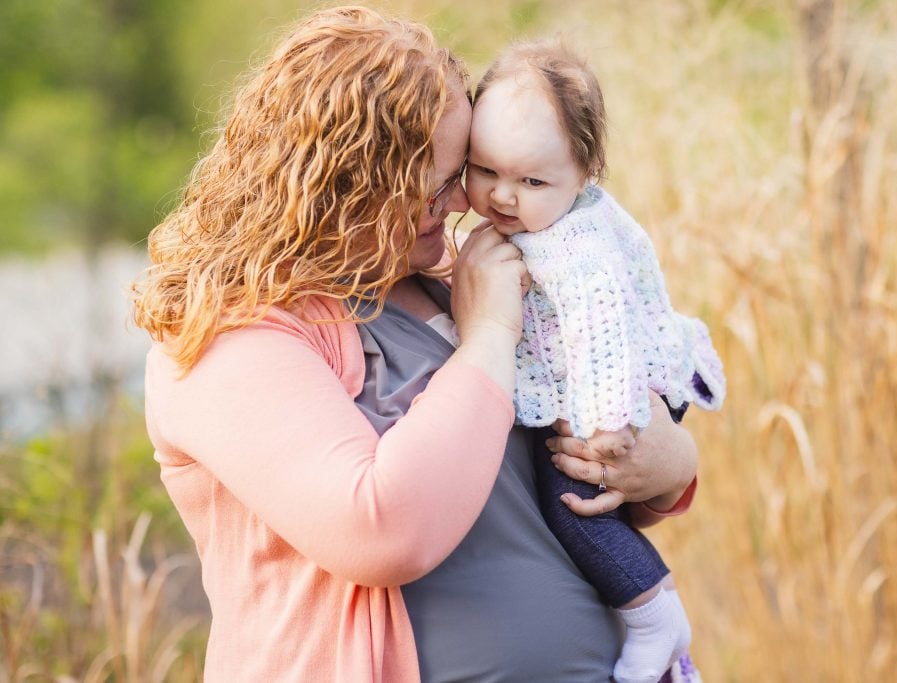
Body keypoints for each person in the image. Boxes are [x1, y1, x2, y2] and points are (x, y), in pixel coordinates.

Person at [130, 6, 699, 682]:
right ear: (343, 191)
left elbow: (551, 473)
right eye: (433, 192)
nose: (461, 205)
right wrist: (488, 333)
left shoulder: (431, 286)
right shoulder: (226, 336)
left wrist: (666, 465)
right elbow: (380, 528)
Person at [464, 40, 725, 683]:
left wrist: (610, 424)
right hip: (607, 382)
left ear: (584, 172)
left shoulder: (571, 248)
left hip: (615, 392)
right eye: (482, 169)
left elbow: (600, 329)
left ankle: (650, 612)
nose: (501, 195)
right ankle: (651, 605)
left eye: (531, 180)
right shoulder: (539, 222)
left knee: (570, 500)